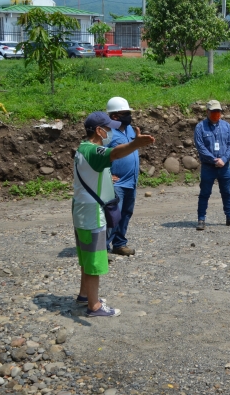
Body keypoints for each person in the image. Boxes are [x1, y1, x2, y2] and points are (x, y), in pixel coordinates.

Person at [73, 111, 155, 317]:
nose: (112, 130)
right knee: (95, 260)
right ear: (99, 131)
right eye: (108, 128)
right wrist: (136, 144)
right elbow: (115, 153)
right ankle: (94, 306)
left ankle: (85, 295)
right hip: (92, 213)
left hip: (81, 209)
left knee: (86, 256)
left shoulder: (83, 148)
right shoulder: (94, 151)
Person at [194, 100, 230, 231]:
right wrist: (214, 160)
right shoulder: (200, 127)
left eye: (218, 111)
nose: (216, 114)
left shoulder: (226, 126)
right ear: (207, 112)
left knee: (226, 192)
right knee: (205, 193)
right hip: (208, 167)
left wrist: (224, 159)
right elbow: (200, 147)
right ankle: (201, 219)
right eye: (214, 111)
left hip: (224, 167)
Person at [106, 97, 139, 256]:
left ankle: (119, 244)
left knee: (126, 213)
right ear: (114, 116)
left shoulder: (130, 129)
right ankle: (102, 249)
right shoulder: (107, 133)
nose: (129, 116)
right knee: (112, 216)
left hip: (131, 182)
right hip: (116, 184)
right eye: (125, 113)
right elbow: (99, 154)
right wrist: (106, 174)